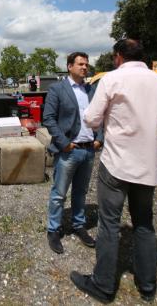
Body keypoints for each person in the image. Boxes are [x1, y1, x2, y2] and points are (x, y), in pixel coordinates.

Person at [70, 39, 157, 303]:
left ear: (118, 56)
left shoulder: (111, 79)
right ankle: (147, 285)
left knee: (109, 224)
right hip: (148, 166)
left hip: (117, 165)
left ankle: (104, 285)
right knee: (144, 224)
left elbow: (92, 119)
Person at [43, 52, 103, 254]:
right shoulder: (57, 89)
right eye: (80, 64)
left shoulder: (91, 89)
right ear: (69, 66)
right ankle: (53, 229)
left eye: (87, 64)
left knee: (81, 192)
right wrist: (64, 143)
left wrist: (99, 139)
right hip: (69, 151)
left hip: (88, 151)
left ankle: (79, 225)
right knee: (59, 194)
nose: (85, 67)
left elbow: (101, 115)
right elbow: (49, 118)